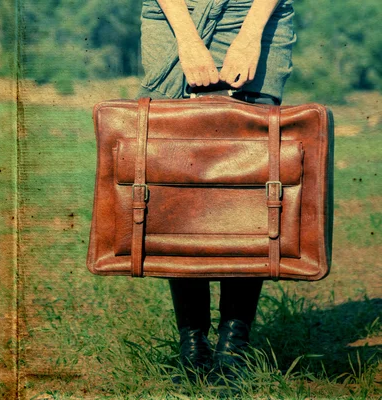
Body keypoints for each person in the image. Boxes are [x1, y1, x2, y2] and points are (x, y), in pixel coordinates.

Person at [136, 0, 296, 381]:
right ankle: (192, 345)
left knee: (248, 177)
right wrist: (188, 40)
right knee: (180, 174)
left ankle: (233, 349)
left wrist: (251, 33)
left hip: (255, 11)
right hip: (173, 12)